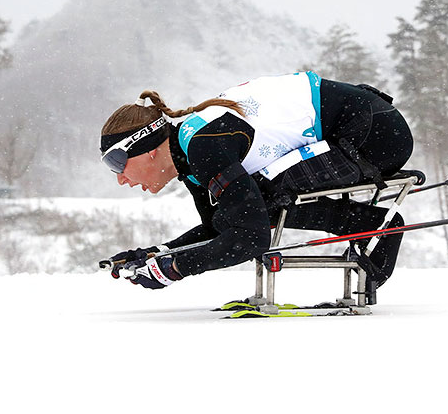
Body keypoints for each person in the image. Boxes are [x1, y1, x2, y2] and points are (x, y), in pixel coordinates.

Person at [100, 71, 413, 293]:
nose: (121, 179)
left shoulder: (204, 147)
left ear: (149, 150)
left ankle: (377, 228)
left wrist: (176, 268)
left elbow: (250, 238)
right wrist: (159, 254)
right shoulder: (191, 155)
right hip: (361, 125)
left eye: (117, 163)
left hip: (374, 134)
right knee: (246, 207)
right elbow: (219, 228)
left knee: (260, 202)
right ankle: (369, 224)